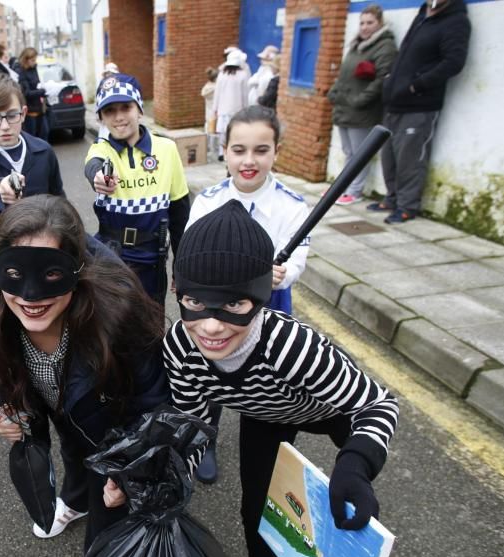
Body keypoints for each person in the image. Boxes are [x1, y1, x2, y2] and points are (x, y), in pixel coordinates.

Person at [153, 201, 398, 557]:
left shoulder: (293, 346)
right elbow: (192, 423)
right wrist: (172, 480)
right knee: (256, 506)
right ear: (177, 290)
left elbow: (376, 403)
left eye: (234, 305)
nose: (211, 328)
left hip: (325, 406)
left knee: (356, 470)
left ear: (262, 297)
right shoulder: (180, 346)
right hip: (264, 413)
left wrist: (357, 464)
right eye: (194, 301)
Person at [0, 195, 169, 549]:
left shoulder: (120, 320)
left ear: (77, 270)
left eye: (50, 273)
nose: (30, 297)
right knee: (73, 446)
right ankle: (76, 501)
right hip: (62, 408)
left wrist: (130, 469)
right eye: (15, 274)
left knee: (107, 541)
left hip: (113, 427)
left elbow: (153, 405)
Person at [186, 106, 311, 483]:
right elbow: (191, 258)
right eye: (239, 149)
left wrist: (282, 272)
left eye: (261, 150)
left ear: (277, 150)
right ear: (224, 150)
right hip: (215, 311)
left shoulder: (293, 206)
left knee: (267, 382)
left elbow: (298, 261)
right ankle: (203, 439)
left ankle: (266, 442)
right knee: (208, 377)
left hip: (270, 310)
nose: (249, 160)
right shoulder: (207, 201)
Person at [84, 73, 190, 304]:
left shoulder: (167, 149)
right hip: (110, 256)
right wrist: (99, 177)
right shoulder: (101, 148)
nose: (119, 117)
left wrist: (180, 267)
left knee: (152, 327)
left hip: (152, 258)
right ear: (101, 117)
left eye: (126, 107)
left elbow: (180, 216)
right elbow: (94, 165)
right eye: (110, 110)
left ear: (139, 109)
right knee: (113, 328)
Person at [372, 0, 471, 224]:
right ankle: (392, 198)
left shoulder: (456, 21)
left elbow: (454, 62)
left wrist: (417, 85)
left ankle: (407, 206)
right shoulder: (422, 17)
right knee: (389, 156)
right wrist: (390, 82)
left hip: (419, 105)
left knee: (410, 158)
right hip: (394, 102)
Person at [0, 74, 64, 253]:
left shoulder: (44, 151)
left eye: (12, 115)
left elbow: (59, 200)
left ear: (24, 113)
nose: (4, 126)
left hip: (42, 251)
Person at [327, 4, 397, 206]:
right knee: (348, 152)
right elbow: (344, 75)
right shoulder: (356, 46)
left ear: (380, 23)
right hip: (344, 108)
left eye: (370, 22)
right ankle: (342, 188)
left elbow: (383, 78)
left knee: (360, 154)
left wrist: (362, 99)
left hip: (362, 111)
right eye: (362, 23)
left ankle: (355, 191)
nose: (365, 27)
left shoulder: (384, 47)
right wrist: (335, 92)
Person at [213, 50, 250, 161]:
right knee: (234, 132)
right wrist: (246, 108)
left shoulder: (222, 74)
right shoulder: (243, 75)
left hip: (223, 108)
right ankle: (233, 151)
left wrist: (215, 108)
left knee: (223, 132)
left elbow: (217, 93)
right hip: (237, 109)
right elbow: (245, 94)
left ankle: (221, 152)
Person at [14, 48, 47, 140]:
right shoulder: (19, 71)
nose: (34, 62)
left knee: (44, 134)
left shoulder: (33, 68)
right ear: (26, 59)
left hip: (39, 108)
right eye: (33, 60)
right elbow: (26, 93)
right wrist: (42, 91)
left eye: (35, 60)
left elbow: (37, 85)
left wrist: (45, 90)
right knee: (31, 138)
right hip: (29, 112)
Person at [200, 67, 218, 160]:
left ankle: (207, 147)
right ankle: (213, 148)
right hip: (214, 112)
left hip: (208, 111)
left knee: (208, 129)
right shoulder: (216, 87)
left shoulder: (207, 86)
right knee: (213, 131)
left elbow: (203, 93)